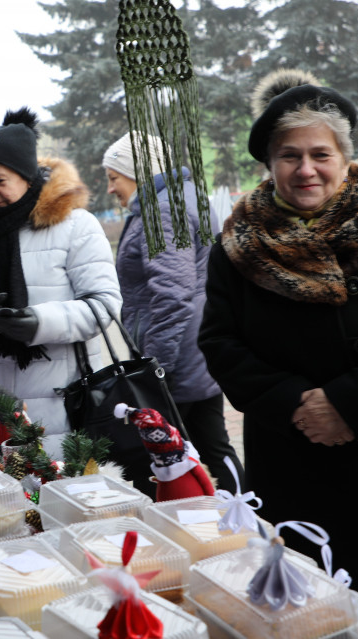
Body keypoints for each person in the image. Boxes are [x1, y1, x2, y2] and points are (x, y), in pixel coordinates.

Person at [197, 70, 358, 592]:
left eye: (321, 154)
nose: (306, 169)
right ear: (270, 164)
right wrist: (301, 404)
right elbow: (220, 343)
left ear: (344, 157)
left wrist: (349, 403)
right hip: (294, 445)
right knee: (311, 597)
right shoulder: (236, 244)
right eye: (289, 155)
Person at [0, 107, 122, 458]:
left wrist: (40, 322)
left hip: (63, 406)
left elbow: (104, 304)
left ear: (26, 176)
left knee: (60, 500)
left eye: (0, 180)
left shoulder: (76, 225)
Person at [102, 132, 245, 494]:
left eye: (113, 178)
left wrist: (155, 367)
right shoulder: (181, 199)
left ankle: (230, 521)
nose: (110, 189)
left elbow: (172, 295)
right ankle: (247, 517)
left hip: (177, 357)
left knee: (178, 454)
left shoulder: (162, 210)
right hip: (197, 348)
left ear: (136, 172)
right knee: (213, 445)